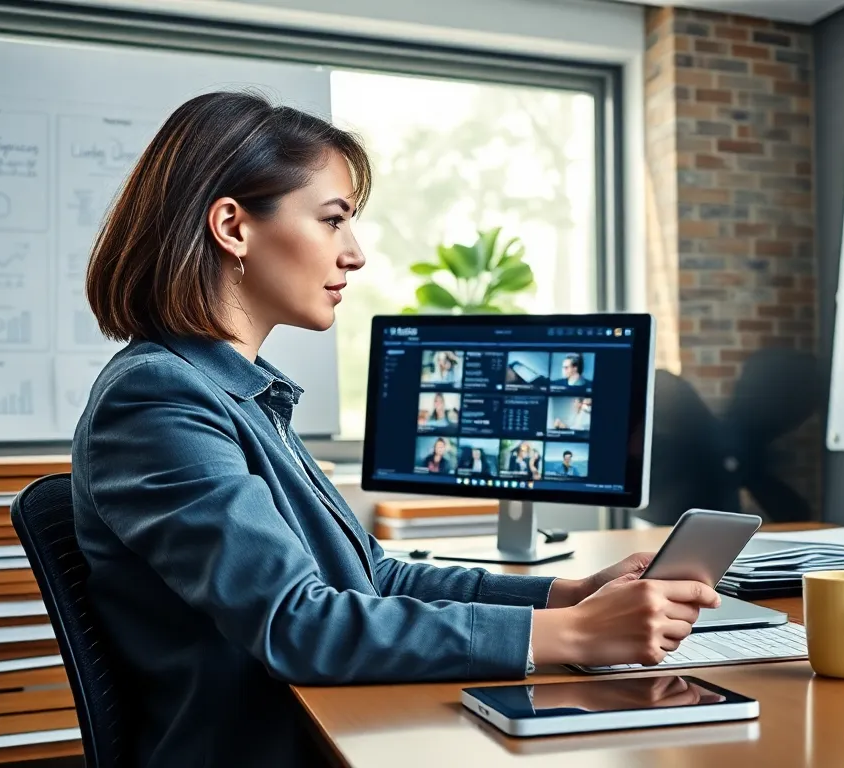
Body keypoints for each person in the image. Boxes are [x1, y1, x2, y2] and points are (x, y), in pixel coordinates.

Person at [73, 91, 717, 768]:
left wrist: (567, 597)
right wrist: (574, 635)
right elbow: (299, 624)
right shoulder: (157, 399)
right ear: (233, 227)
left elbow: (371, 576)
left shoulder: (241, 393)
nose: (354, 255)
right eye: (332, 221)